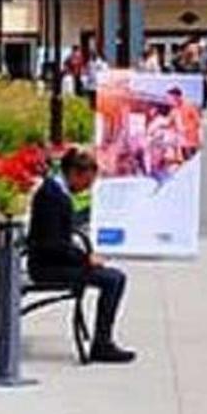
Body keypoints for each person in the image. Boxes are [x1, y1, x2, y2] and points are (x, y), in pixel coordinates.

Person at [27, 148, 135, 363]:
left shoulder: (56, 192)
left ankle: (102, 341)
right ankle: (102, 344)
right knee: (114, 280)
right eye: (87, 182)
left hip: (53, 261)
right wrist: (85, 259)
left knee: (113, 277)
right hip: (47, 267)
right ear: (74, 173)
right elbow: (53, 245)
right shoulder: (52, 197)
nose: (87, 188)